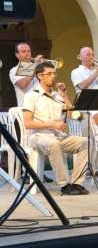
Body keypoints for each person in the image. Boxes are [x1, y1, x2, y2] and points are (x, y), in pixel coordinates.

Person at [23, 62, 90, 195]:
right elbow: (28, 124)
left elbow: (72, 116)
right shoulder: (31, 96)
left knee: (86, 142)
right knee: (53, 144)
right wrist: (52, 124)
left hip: (59, 137)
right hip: (39, 137)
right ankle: (64, 185)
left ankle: (76, 183)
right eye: (49, 74)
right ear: (39, 75)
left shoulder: (58, 96)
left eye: (54, 73)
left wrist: (64, 95)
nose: (53, 76)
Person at [9, 42, 53, 183]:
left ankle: (39, 171)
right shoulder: (14, 71)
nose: (27, 54)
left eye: (28, 51)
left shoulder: (37, 71)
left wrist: (43, 70)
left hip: (40, 110)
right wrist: (35, 67)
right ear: (17, 55)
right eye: (23, 51)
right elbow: (23, 84)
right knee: (26, 143)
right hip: (25, 113)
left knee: (41, 141)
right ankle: (27, 173)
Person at [71, 47, 98, 176]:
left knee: (97, 138)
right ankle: (85, 167)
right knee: (87, 139)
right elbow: (82, 86)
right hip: (85, 110)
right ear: (80, 56)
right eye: (88, 55)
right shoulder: (76, 72)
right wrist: (97, 73)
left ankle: (94, 168)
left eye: (92, 54)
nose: (91, 57)